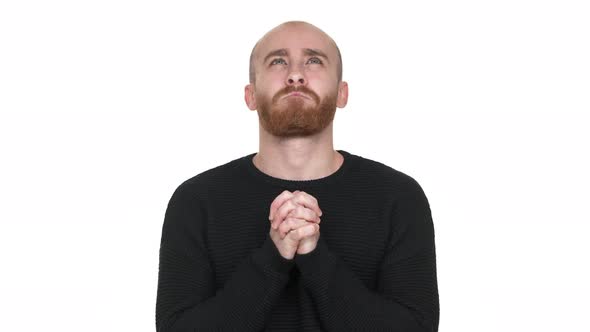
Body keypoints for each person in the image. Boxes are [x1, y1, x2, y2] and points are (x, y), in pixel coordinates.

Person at [155, 20, 439, 332]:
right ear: (250, 96)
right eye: (278, 61)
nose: (295, 75)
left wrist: (316, 258)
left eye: (314, 60)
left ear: (342, 93)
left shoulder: (397, 197)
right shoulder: (197, 201)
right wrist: (272, 258)